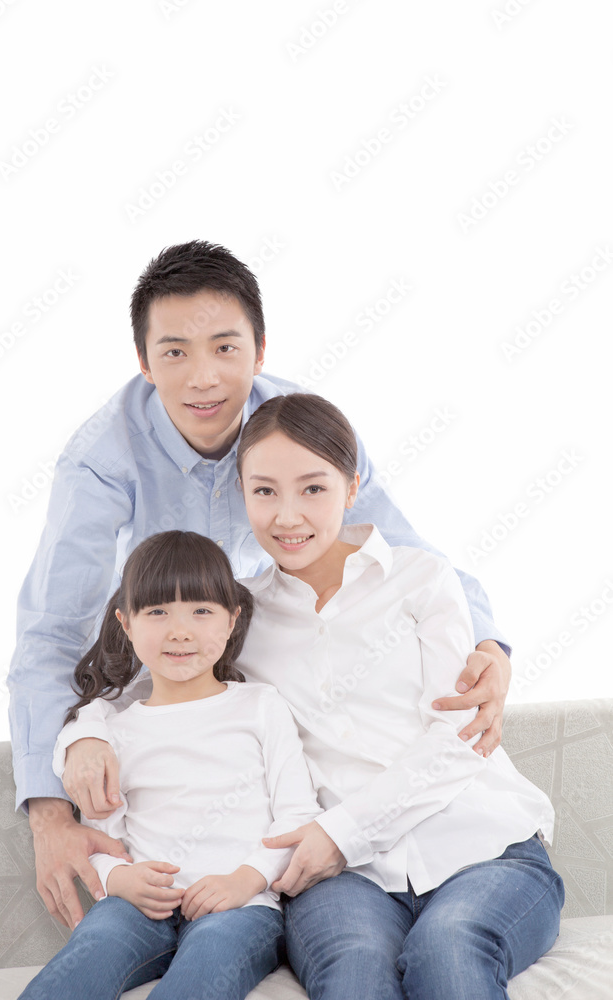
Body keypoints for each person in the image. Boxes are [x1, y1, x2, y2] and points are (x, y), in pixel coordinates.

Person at [8, 239, 512, 929]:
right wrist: (52, 806)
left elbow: (410, 558)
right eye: (174, 352)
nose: (203, 378)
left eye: (224, 347)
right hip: (166, 669)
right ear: (143, 360)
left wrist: (489, 646)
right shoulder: (100, 461)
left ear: (260, 348)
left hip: (265, 688)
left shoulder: (301, 427)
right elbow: (51, 635)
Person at [60, 393, 565, 1000]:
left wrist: (342, 830)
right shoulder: (236, 614)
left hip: (481, 847)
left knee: (447, 951)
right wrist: (84, 733)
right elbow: (147, 684)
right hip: (342, 879)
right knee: (353, 974)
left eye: (313, 489)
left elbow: (460, 737)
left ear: (352, 488)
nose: (287, 515)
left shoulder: (422, 580)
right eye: (264, 491)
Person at [20, 530, 321, 1000]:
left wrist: (245, 880)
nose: (180, 630)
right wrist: (120, 878)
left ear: (231, 620)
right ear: (126, 622)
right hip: (139, 904)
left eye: (201, 611)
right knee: (81, 964)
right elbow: (104, 835)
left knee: (206, 970)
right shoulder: (113, 731)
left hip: (240, 907)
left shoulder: (261, 706)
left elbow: (298, 816)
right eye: (157, 612)